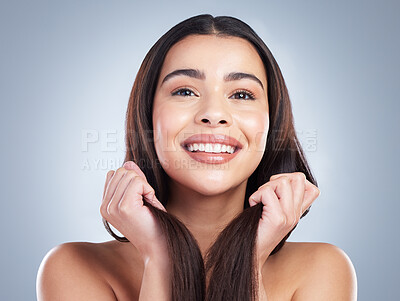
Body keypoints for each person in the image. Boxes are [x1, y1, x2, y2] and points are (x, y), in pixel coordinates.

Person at [36, 14, 357, 300]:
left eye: (242, 94)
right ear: (148, 116)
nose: (214, 114)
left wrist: (247, 261)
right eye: (185, 91)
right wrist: (160, 257)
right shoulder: (74, 268)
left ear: (272, 123)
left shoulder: (322, 270)